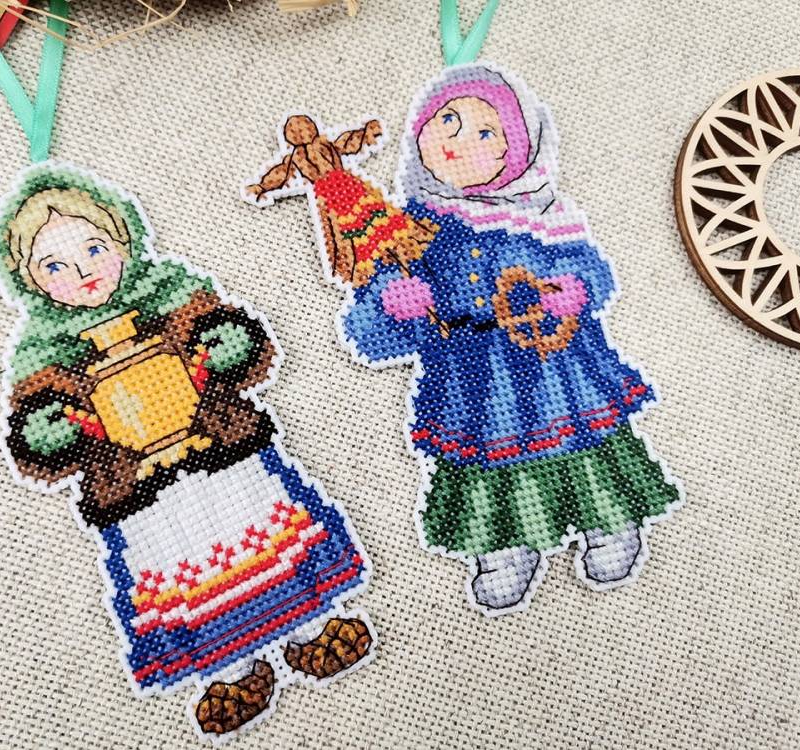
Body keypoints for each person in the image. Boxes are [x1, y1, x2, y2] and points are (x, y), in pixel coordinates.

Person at [248, 64, 680, 616]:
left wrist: (571, 289)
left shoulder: (541, 215)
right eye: (446, 121)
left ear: (519, 150)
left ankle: (609, 521)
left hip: (555, 370)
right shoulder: (407, 231)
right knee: (485, 469)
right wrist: (393, 305)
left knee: (583, 446)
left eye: (485, 131)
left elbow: (590, 271)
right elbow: (368, 333)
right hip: (469, 382)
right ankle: (504, 547)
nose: (458, 140)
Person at [0, 167, 372, 738]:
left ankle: (309, 626)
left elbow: (236, 339)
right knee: (180, 567)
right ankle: (229, 667)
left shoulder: (169, 292)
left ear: (122, 240)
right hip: (138, 493)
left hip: (224, 452)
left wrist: (222, 345)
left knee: (262, 530)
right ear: (29, 281)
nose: (83, 272)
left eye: (93, 249)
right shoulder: (41, 352)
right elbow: (34, 433)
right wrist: (57, 428)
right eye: (55, 267)